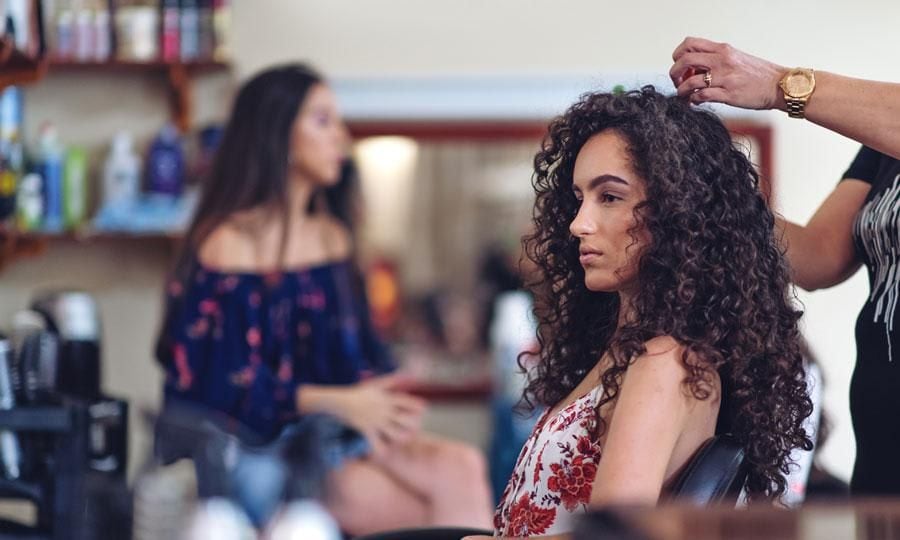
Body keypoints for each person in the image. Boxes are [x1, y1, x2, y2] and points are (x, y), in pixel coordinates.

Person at [154, 63, 493, 534]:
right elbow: (219, 387)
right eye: (322, 120)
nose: (342, 136)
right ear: (276, 134)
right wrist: (336, 402)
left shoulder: (334, 239)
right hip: (262, 452)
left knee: (463, 465)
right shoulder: (225, 243)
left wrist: (381, 398)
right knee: (406, 505)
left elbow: (359, 359)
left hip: (337, 436)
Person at [478, 87, 813, 539]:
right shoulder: (625, 351)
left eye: (609, 197)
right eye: (579, 198)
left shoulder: (666, 362)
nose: (579, 223)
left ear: (676, 212)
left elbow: (610, 537)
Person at [669, 36, 900, 496]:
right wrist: (713, 195)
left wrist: (780, 85)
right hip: (883, 445)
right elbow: (818, 257)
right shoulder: (884, 143)